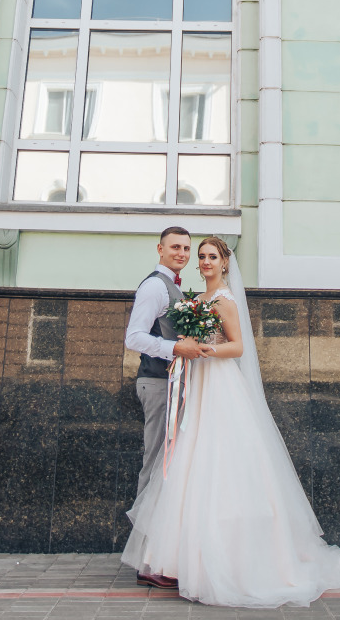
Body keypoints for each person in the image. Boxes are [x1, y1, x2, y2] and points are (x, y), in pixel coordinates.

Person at [122, 236, 340, 608]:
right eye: (201, 256)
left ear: (225, 263)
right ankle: (182, 557)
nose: (204, 261)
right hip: (199, 385)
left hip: (220, 384)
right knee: (193, 460)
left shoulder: (224, 300)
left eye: (211, 256)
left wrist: (203, 349)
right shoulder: (195, 300)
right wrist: (185, 343)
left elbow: (238, 347)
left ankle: (234, 557)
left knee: (223, 460)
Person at [122, 225, 206, 590]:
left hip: (171, 384)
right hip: (158, 384)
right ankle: (144, 560)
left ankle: (157, 554)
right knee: (155, 465)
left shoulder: (174, 286)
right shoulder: (155, 286)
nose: (182, 253)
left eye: (187, 248)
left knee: (166, 468)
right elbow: (134, 337)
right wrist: (175, 349)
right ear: (160, 248)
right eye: (176, 247)